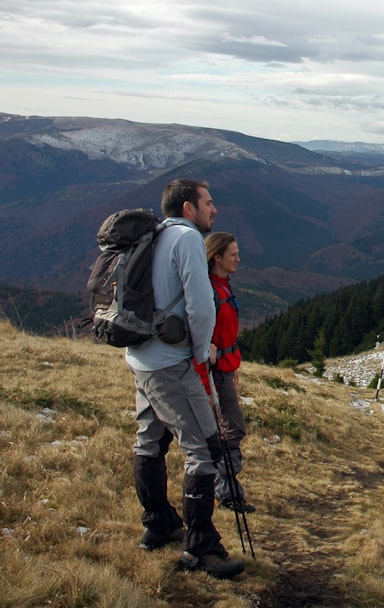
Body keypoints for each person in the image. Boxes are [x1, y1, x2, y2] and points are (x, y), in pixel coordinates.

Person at [127, 179, 244, 579]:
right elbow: (199, 304)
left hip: (142, 358)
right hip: (172, 363)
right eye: (209, 203)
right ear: (188, 208)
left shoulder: (154, 235)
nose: (215, 210)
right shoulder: (188, 240)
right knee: (205, 449)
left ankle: (157, 523)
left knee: (149, 440)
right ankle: (201, 547)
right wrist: (200, 356)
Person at [197, 232, 254, 514]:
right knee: (231, 428)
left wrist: (234, 367)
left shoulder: (221, 286)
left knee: (229, 428)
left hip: (224, 370)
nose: (238, 258)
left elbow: (227, 336)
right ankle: (226, 490)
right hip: (216, 372)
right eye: (233, 254)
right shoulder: (211, 291)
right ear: (217, 257)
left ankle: (226, 488)